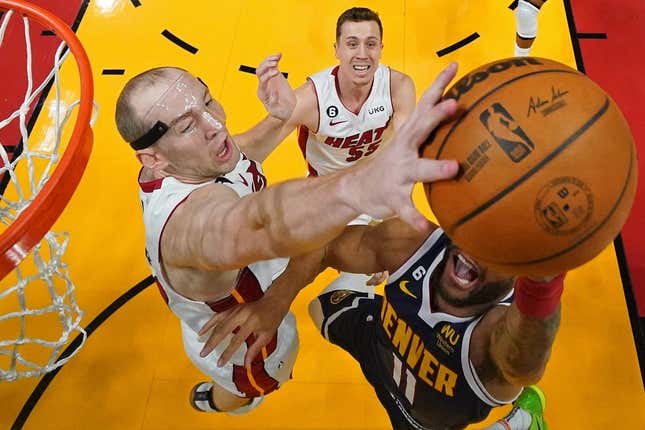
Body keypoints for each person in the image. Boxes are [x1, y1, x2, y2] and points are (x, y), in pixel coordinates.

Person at [114, 59, 460, 414]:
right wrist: (360, 185)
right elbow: (262, 223)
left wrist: (285, 114)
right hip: (246, 347)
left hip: (235, 294)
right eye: (187, 126)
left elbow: (246, 153)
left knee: (373, 239)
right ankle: (220, 402)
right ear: (152, 158)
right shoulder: (191, 225)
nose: (216, 125)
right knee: (245, 393)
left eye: (207, 101)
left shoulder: (191, 161)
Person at [306, 217, 561, 429]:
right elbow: (323, 248)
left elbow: (525, 361)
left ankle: (521, 423)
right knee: (320, 307)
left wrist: (544, 284)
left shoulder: (494, 330)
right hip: (378, 349)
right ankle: (372, 250)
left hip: (426, 421)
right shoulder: (419, 244)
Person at [272, 6, 418, 292]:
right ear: (336, 49)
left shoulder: (397, 87)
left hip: (374, 195)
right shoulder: (311, 98)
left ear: (381, 49)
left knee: (374, 281)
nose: (362, 53)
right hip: (324, 200)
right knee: (280, 278)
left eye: (370, 44)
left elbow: (404, 161)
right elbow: (255, 148)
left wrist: (394, 228)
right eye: (352, 44)